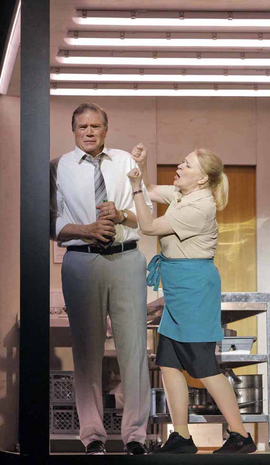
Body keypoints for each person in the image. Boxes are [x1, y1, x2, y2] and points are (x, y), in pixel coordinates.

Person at [127, 143, 257, 454]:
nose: (179, 167)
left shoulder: (200, 207)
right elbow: (150, 190)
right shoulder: (182, 196)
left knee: (204, 366)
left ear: (201, 179)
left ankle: (241, 436)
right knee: (169, 363)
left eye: (186, 165)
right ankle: (181, 436)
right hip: (178, 289)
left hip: (194, 289)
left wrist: (134, 189)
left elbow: (148, 226)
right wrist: (140, 170)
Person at [50, 103, 152, 456]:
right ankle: (92, 434)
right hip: (82, 261)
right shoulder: (57, 167)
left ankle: (135, 436)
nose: (89, 132)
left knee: (135, 349)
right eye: (83, 127)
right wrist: (86, 229)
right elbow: (50, 224)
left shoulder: (125, 161)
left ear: (106, 130)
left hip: (126, 259)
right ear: (73, 130)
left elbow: (146, 216)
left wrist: (121, 213)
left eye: (96, 126)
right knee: (87, 352)